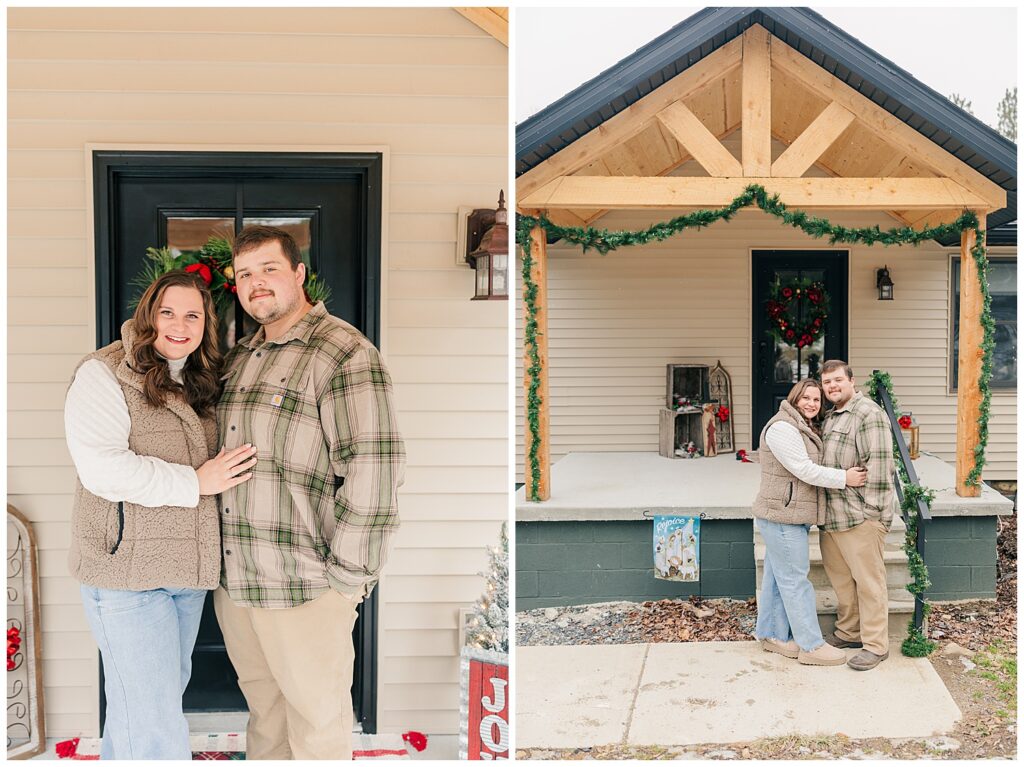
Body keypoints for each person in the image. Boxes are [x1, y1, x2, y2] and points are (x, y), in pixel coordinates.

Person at [214, 226, 405, 760]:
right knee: (265, 722)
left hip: (305, 587)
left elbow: (375, 471)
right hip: (239, 584)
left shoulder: (343, 354)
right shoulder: (242, 357)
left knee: (318, 729)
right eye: (245, 274)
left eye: (269, 269)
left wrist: (346, 584)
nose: (257, 284)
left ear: (298, 274)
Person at [65, 271, 258, 759]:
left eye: (192, 315)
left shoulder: (200, 381)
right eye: (167, 312)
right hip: (127, 575)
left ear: (205, 325)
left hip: (184, 575)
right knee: (150, 718)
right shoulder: (104, 373)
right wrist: (196, 483)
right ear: (148, 315)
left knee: (148, 708)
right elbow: (103, 470)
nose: (179, 324)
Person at [752, 378, 868, 666]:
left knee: (778, 577)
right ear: (794, 398)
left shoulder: (802, 426)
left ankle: (772, 634)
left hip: (789, 514)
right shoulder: (782, 428)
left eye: (817, 400)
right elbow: (804, 469)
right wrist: (845, 478)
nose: (811, 404)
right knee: (795, 580)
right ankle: (811, 645)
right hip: (782, 516)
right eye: (806, 398)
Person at [819, 360, 899, 671]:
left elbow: (880, 467)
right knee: (841, 582)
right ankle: (849, 632)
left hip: (860, 517)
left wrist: (873, 515)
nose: (832, 386)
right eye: (827, 383)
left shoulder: (868, 414)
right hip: (833, 517)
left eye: (838, 380)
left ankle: (876, 645)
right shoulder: (831, 416)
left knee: (869, 583)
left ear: (852, 381)